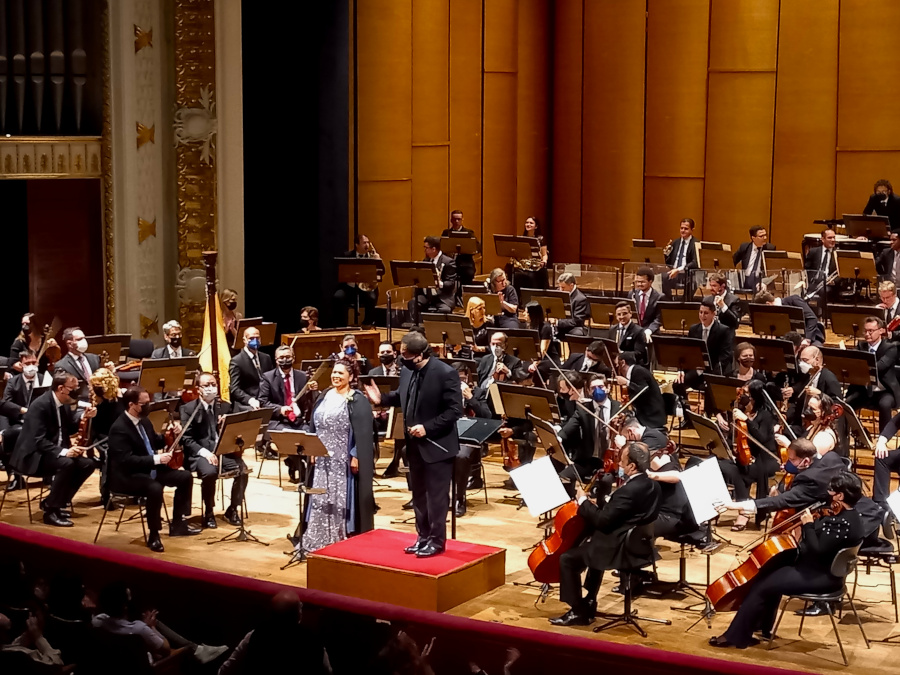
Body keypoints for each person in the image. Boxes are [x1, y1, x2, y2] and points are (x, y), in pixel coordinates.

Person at [709, 471, 866, 650]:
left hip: (820, 578)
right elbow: (824, 545)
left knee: (763, 585)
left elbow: (817, 550)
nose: (827, 493)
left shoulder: (840, 524)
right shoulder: (852, 517)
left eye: (831, 490)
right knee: (770, 570)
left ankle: (736, 637)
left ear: (840, 495)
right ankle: (761, 628)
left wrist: (808, 524)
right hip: (823, 571)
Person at [363, 332, 462, 557]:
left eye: (405, 355)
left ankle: (437, 541)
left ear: (419, 355)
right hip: (414, 445)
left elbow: (455, 410)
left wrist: (427, 427)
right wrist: (382, 400)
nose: (401, 358)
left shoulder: (446, 373)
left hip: (437, 446)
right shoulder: (407, 370)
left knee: (436, 498)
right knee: (418, 494)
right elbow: (402, 396)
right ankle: (423, 536)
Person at [549, 442, 661, 626]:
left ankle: (578, 611)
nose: (619, 465)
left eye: (622, 462)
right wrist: (607, 502)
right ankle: (590, 600)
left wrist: (583, 501)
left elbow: (602, 521)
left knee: (568, 559)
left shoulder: (628, 491)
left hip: (620, 548)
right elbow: (626, 513)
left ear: (632, 466)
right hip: (641, 544)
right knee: (591, 545)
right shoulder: (652, 485)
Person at [107, 387, 199, 551]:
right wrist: (156, 459)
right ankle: (154, 534)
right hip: (127, 476)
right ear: (132, 405)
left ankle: (178, 523)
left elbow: (155, 442)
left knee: (185, 477)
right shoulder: (119, 428)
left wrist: (169, 434)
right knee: (154, 488)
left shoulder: (144, 421)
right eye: (145, 403)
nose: (149, 406)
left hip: (149, 469)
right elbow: (125, 461)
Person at [300, 360, 376, 552]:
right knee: (319, 496)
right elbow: (314, 423)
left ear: (351, 377)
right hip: (321, 459)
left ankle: (340, 535)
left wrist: (356, 455)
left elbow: (365, 433)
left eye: (341, 373)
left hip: (342, 459)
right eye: (334, 372)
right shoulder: (325, 395)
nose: (336, 376)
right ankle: (317, 535)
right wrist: (311, 448)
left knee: (338, 496)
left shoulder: (357, 399)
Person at [10, 372, 96, 526]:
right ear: (61, 388)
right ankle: (50, 511)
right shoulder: (40, 406)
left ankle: (55, 501)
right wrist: (64, 452)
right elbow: (38, 440)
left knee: (87, 464)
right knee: (67, 464)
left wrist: (85, 417)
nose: (77, 392)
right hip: (33, 456)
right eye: (74, 388)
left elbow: (69, 429)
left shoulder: (63, 403)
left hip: (50, 453)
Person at [181, 373, 250, 530]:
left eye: (213, 384)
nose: (211, 388)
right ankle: (209, 512)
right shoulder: (188, 409)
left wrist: (227, 426)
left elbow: (237, 432)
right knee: (210, 473)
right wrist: (205, 453)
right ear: (198, 389)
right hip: (200, 454)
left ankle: (232, 509)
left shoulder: (225, 406)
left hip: (222, 452)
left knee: (243, 471)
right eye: (207, 385)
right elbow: (187, 439)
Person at [218, 590, 331, 675]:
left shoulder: (255, 635)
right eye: (300, 607)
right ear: (299, 615)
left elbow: (225, 671)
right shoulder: (313, 642)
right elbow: (327, 673)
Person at [557, 374, 621, 492]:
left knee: (603, 485)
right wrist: (559, 438)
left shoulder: (619, 408)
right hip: (589, 459)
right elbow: (569, 428)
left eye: (601, 387)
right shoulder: (583, 409)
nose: (597, 390)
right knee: (563, 478)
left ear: (608, 388)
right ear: (588, 391)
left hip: (612, 462)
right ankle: (574, 505)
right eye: (593, 388)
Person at [844, 316, 900, 432]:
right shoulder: (861, 346)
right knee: (846, 405)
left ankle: (883, 440)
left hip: (885, 391)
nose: (867, 334)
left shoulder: (890, 348)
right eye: (865, 331)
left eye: (871, 331)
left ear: (881, 331)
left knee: (884, 405)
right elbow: (852, 364)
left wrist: (859, 366)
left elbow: (880, 366)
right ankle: (859, 435)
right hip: (865, 391)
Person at [782, 345, 841, 430]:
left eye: (805, 360)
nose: (802, 364)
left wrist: (820, 394)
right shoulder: (807, 376)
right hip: (802, 422)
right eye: (801, 360)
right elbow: (797, 402)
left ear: (817, 360)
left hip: (821, 426)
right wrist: (786, 417)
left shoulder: (830, 379)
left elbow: (837, 406)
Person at [333, 233, 381, 326]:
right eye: (364, 243)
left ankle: (367, 323)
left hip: (365, 289)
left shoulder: (372, 256)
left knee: (372, 298)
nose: (367, 245)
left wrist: (378, 261)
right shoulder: (346, 255)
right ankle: (341, 325)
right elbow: (339, 271)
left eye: (368, 242)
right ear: (357, 245)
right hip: (348, 288)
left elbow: (382, 272)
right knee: (337, 297)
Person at [408, 236, 458, 324]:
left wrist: (440, 283)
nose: (425, 250)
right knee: (413, 303)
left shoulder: (448, 262)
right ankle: (416, 329)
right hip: (427, 295)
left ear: (434, 249)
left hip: (441, 297)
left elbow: (451, 283)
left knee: (444, 310)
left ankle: (435, 330)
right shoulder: (426, 261)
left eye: (426, 248)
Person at [612, 353, 666, 430]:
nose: (616, 367)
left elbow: (643, 390)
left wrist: (627, 382)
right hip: (643, 413)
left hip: (651, 415)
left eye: (617, 364)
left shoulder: (638, 371)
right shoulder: (635, 371)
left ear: (623, 363)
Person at [753, 291, 824, 345]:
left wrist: (807, 339)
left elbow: (812, 318)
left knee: (810, 354)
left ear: (768, 304)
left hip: (810, 338)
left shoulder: (794, 300)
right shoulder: (773, 314)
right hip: (788, 341)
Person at [228, 326, 274, 409]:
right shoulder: (237, 361)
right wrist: (250, 400)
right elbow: (234, 389)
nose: (255, 340)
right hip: (248, 402)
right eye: (251, 338)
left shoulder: (266, 357)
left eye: (257, 338)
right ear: (244, 340)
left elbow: (272, 379)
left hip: (266, 400)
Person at [54, 327, 101, 395]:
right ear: (69, 344)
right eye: (79, 339)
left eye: (84, 338)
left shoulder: (94, 358)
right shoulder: (61, 366)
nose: (84, 341)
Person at [509, 216, 549, 293]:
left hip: (536, 267)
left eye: (531, 223)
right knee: (515, 274)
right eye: (527, 222)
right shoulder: (522, 238)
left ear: (536, 226)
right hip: (525, 266)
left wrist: (544, 261)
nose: (528, 224)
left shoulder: (540, 239)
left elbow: (544, 254)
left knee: (533, 276)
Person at [441, 209, 479, 287]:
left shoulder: (469, 233)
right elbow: (442, 248)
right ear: (451, 220)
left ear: (462, 220)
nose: (457, 221)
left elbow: (478, 248)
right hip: (449, 263)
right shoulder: (446, 233)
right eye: (455, 219)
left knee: (468, 273)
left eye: (459, 219)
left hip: (465, 263)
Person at [525, 301, 561, 379]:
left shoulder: (546, 327)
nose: (524, 314)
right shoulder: (529, 326)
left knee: (538, 369)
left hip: (548, 359)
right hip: (534, 357)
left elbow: (543, 351)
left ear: (533, 315)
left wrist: (535, 364)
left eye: (527, 313)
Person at [608, 301, 647, 366]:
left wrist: (621, 354)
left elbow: (639, 353)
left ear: (630, 314)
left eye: (624, 313)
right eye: (619, 314)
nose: (622, 317)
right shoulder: (612, 329)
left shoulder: (638, 331)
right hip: (614, 364)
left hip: (631, 365)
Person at [627, 267, 663, 338]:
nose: (639, 284)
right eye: (637, 282)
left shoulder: (659, 297)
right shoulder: (632, 293)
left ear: (650, 281)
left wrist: (649, 330)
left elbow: (659, 319)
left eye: (642, 282)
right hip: (634, 331)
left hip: (651, 332)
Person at [551, 273, 590, 337]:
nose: (560, 290)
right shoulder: (558, 292)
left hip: (573, 327)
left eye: (563, 287)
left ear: (571, 285)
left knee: (577, 333)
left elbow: (577, 321)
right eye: (559, 287)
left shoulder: (580, 299)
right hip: (559, 324)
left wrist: (557, 322)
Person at [664, 218, 699, 289]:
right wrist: (665, 254)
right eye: (681, 228)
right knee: (660, 278)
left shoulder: (696, 243)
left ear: (692, 230)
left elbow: (695, 262)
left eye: (686, 229)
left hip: (687, 274)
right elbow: (668, 260)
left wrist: (679, 270)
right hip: (672, 271)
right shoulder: (675, 242)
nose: (683, 231)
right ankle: (667, 299)